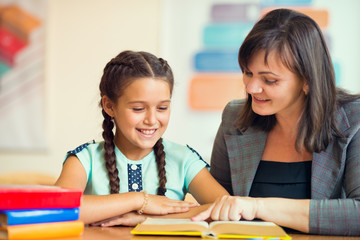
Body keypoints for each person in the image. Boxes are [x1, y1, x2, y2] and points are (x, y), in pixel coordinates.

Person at [192, 8, 360, 236]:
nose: (251, 88)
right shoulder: (233, 118)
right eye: (247, 73)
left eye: (269, 80)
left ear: (307, 80)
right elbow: (220, 205)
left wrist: (258, 206)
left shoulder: (352, 119)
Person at [55, 50, 228, 226]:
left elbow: (227, 207)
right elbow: (58, 210)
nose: (151, 120)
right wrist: (139, 200)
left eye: (162, 108)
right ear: (109, 106)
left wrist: (147, 218)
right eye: (138, 109)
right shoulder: (84, 160)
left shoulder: (184, 159)